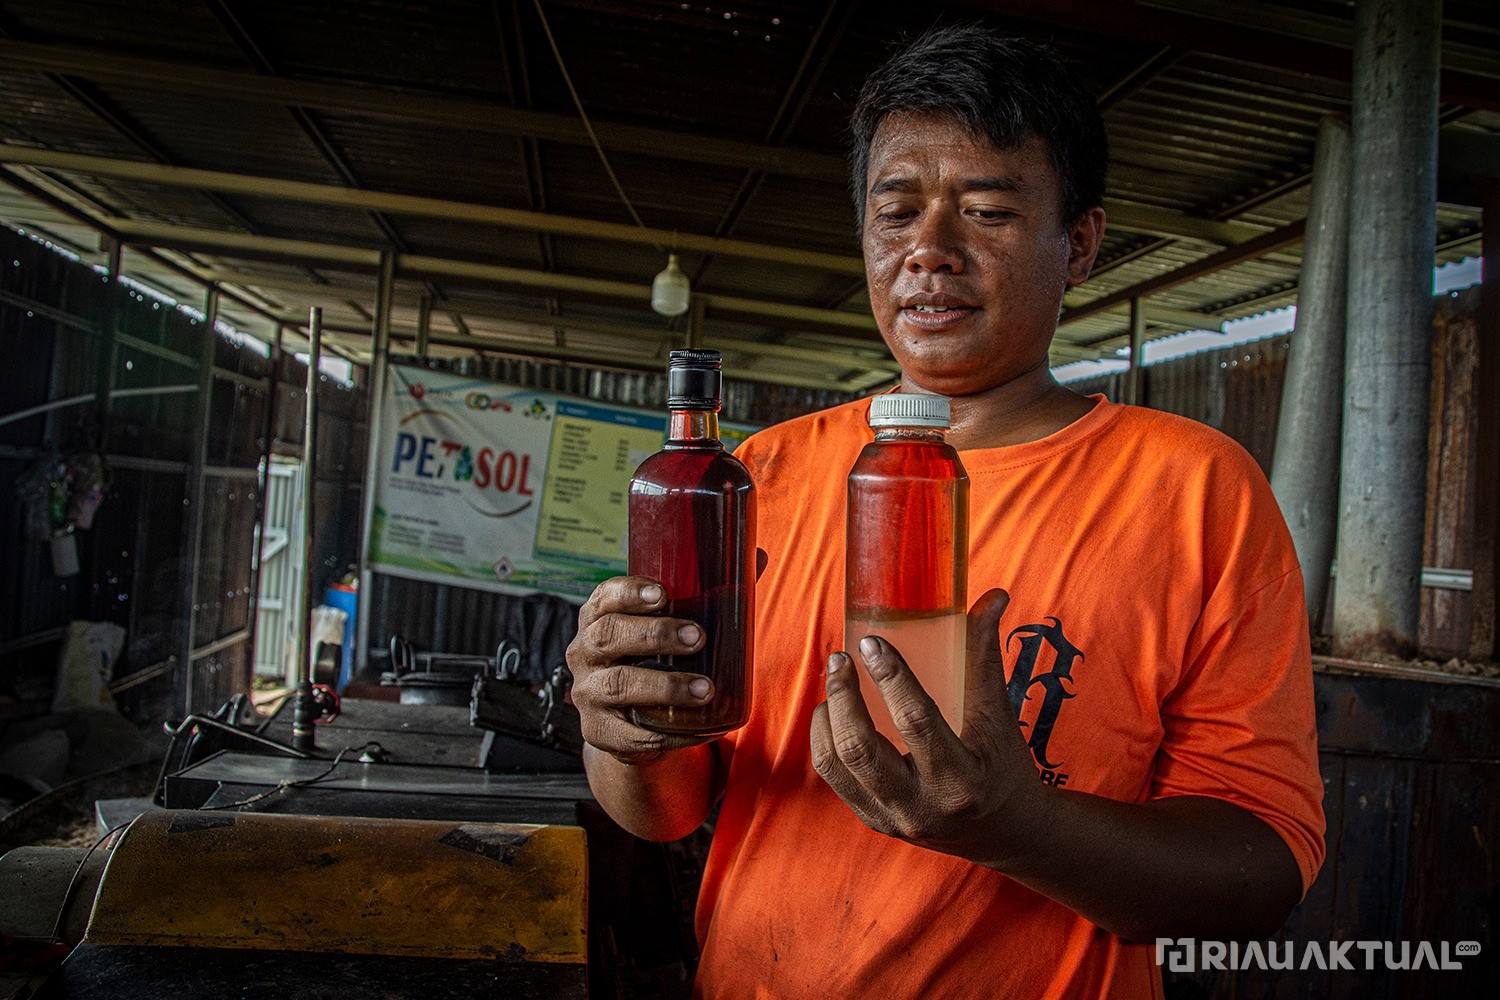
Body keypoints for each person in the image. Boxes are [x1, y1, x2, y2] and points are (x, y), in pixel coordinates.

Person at [566, 24, 1325, 998]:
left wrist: (1023, 830)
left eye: (989, 211)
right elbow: (667, 809)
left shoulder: (1193, 490)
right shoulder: (762, 478)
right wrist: (620, 731)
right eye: (896, 214)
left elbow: (1262, 869)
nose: (930, 251)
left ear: (1079, 242)